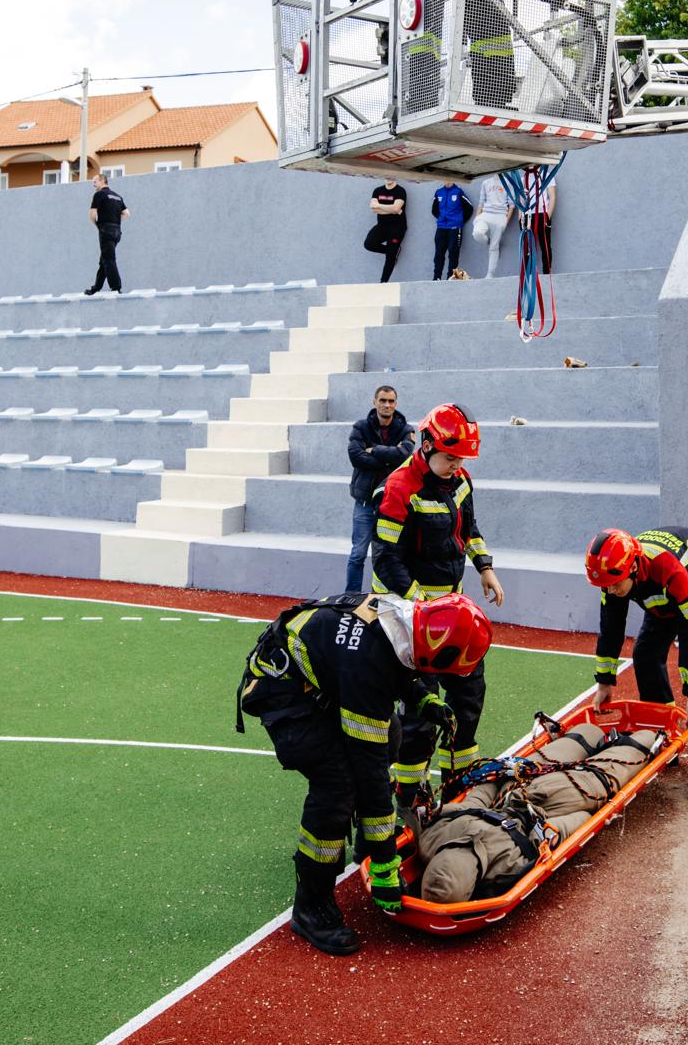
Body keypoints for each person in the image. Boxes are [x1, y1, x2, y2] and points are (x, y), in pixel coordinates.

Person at [238, 589, 493, 955]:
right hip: (284, 693)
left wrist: (423, 699)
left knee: (390, 736)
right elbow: (370, 773)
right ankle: (311, 907)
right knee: (338, 784)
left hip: (322, 679)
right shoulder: (366, 664)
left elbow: (400, 663)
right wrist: (386, 867)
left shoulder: (403, 618)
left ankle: (364, 843)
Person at [372, 402, 504, 798]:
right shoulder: (398, 488)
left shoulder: (460, 480)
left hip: (451, 614)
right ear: (427, 446)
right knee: (421, 711)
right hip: (411, 620)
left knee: (469, 696)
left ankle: (457, 782)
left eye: (462, 458)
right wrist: (422, 606)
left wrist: (484, 567)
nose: (457, 465)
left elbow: (469, 529)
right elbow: (385, 559)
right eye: (450, 457)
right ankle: (410, 794)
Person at [585, 526, 688, 802]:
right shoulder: (613, 576)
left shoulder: (669, 571)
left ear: (633, 568)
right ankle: (663, 737)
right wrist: (605, 682)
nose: (610, 589)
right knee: (646, 654)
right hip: (667, 594)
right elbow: (610, 629)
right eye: (605, 585)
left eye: (615, 583)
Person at [345, 385, 414, 591]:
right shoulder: (360, 427)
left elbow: (405, 456)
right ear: (374, 402)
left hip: (391, 504)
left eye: (391, 401)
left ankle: (385, 597)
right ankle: (351, 597)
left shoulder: (406, 430)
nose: (387, 405)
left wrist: (374, 450)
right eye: (382, 400)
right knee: (358, 553)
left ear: (396, 404)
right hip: (365, 502)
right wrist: (389, 458)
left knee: (390, 554)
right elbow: (356, 457)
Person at [84, 172, 129, 295]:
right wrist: (115, 220)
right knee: (104, 259)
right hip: (117, 231)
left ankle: (116, 287)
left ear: (102, 180)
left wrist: (98, 225)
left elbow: (92, 214)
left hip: (106, 230)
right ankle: (96, 288)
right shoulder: (118, 196)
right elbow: (127, 214)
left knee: (109, 259)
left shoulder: (99, 194)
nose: (93, 185)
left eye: (95, 182)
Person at [363, 180, 407, 283]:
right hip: (381, 226)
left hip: (397, 227)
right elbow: (373, 209)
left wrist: (379, 206)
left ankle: (383, 282)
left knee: (390, 257)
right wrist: (392, 209)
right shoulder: (378, 191)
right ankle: (394, 250)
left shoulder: (400, 191)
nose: (388, 178)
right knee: (369, 244)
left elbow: (396, 208)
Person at [472, 173, 514, 278]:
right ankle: (488, 241)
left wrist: (505, 222)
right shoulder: (485, 183)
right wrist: (476, 218)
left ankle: (490, 274)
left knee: (494, 247)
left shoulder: (508, 183)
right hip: (486, 214)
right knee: (477, 233)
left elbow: (512, 205)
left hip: (500, 215)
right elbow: (481, 203)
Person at [431, 180, 473, 280]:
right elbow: (434, 210)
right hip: (441, 227)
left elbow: (469, 208)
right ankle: (436, 277)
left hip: (455, 228)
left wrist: (459, 220)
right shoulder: (439, 192)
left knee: (453, 253)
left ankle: (450, 278)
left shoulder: (458, 192)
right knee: (438, 254)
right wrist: (442, 219)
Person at [517, 173, 555, 273]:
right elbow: (520, 201)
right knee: (527, 246)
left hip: (542, 213)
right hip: (527, 215)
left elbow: (552, 196)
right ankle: (528, 274)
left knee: (545, 244)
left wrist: (548, 215)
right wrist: (520, 218)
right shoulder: (522, 179)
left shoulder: (546, 175)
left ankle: (547, 273)